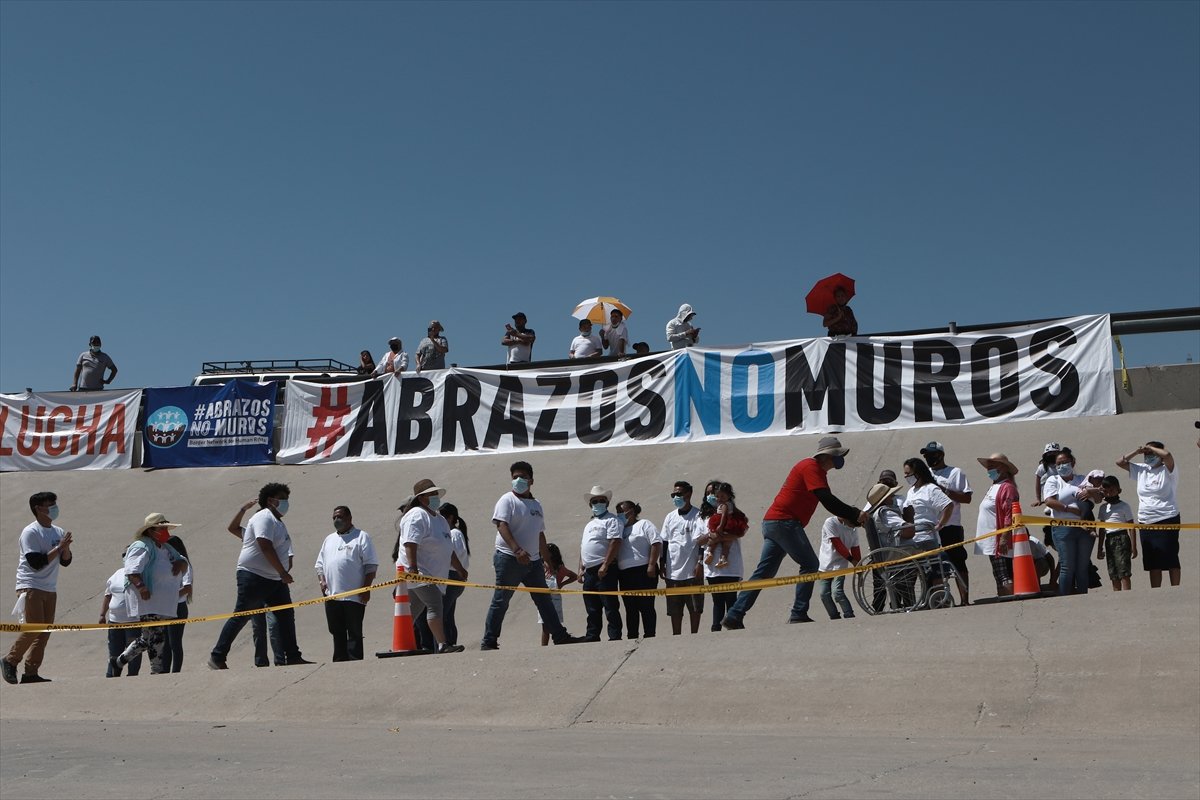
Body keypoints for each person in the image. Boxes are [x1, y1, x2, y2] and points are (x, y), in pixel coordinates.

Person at [722, 437, 868, 630]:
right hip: (784, 522)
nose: (840, 459)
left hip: (774, 522)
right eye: (838, 455)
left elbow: (830, 503)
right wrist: (855, 513)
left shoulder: (817, 472)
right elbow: (827, 500)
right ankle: (799, 613)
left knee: (764, 572)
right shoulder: (810, 467)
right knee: (810, 564)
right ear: (828, 455)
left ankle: (734, 614)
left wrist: (851, 516)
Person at [480, 461, 584, 649]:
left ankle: (560, 636)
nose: (518, 480)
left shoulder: (536, 504)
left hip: (534, 562)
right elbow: (501, 525)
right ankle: (489, 641)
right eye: (514, 477)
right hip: (509, 559)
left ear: (531, 480)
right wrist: (517, 550)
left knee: (544, 599)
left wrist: (547, 561)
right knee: (501, 600)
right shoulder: (507, 500)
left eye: (523, 477)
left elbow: (540, 534)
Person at [209, 483, 313, 669]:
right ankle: (217, 656)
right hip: (253, 576)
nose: (285, 502)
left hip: (274, 580)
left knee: (286, 615)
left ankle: (293, 656)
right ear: (271, 501)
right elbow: (264, 545)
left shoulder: (277, 522)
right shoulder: (263, 517)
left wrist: (282, 573)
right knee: (242, 615)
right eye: (282, 498)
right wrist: (282, 572)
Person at [3, 492, 73, 685]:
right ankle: (10, 660)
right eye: (49, 504)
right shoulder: (30, 532)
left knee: (44, 631)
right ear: (38, 509)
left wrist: (65, 548)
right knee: (34, 628)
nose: (54, 507)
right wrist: (59, 548)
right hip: (31, 584)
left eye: (54, 503)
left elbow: (66, 561)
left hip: (50, 587)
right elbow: (36, 563)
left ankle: (31, 672)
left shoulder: (58, 531)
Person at [111, 513, 189, 675]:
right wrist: (141, 587)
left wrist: (180, 563)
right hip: (146, 599)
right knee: (157, 635)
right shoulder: (141, 546)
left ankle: (119, 661)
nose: (165, 531)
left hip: (160, 601)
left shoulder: (166, 547)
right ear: (151, 530)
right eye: (161, 529)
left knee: (147, 637)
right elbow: (132, 571)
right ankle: (157, 670)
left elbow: (182, 559)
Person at [398, 480, 466, 654]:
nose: (436, 497)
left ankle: (401, 643)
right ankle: (443, 644)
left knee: (414, 610)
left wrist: (459, 568)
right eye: (431, 494)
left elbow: (448, 548)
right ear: (421, 498)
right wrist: (413, 569)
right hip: (421, 573)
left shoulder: (440, 519)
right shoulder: (416, 515)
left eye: (436, 493)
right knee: (435, 605)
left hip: (435, 576)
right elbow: (410, 543)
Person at [315, 506, 379, 661]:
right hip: (332, 596)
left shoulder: (361, 537)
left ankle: (354, 661)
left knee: (354, 632)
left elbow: (371, 566)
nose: (337, 520)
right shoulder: (329, 539)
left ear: (350, 518)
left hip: (354, 597)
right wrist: (322, 581)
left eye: (340, 517)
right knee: (336, 631)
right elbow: (319, 564)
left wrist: (366, 589)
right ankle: (339, 661)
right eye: (334, 518)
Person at [227, 498, 285, 667]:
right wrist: (243, 509)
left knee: (274, 624)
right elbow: (232, 528)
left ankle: (280, 660)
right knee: (258, 626)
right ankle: (261, 662)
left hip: (271, 583)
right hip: (254, 582)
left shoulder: (275, 537)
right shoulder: (251, 534)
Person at [1117, 441, 1181, 588]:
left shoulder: (1168, 469)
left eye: (1152, 454)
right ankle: (1156, 590)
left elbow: (1168, 455)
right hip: (1146, 520)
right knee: (1153, 560)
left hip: (1167, 517)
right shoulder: (1141, 469)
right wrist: (1137, 451)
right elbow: (1120, 462)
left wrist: (1152, 448)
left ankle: (1176, 588)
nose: (1148, 456)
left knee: (1170, 555)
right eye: (1146, 454)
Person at [921, 442, 973, 605]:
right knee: (933, 565)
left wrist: (945, 491)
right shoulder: (925, 474)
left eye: (931, 454)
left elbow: (967, 498)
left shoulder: (955, 473)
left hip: (950, 525)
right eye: (926, 455)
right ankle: (938, 601)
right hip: (931, 528)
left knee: (957, 561)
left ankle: (964, 599)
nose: (928, 458)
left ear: (941, 455)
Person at [1041, 449, 1096, 595]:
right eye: (1058, 464)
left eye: (1065, 462)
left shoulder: (1082, 479)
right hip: (1063, 528)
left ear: (1073, 462)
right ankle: (1065, 599)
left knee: (1082, 567)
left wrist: (1091, 492)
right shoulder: (1053, 481)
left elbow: (1096, 500)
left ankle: (1083, 596)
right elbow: (1049, 501)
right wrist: (1070, 509)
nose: (1062, 466)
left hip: (1085, 529)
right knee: (1067, 566)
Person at [660, 481, 706, 635]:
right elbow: (665, 542)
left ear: (689, 494)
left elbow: (701, 541)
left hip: (692, 571)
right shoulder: (670, 517)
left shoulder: (698, 515)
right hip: (673, 573)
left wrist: (700, 563)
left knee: (695, 608)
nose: (676, 497)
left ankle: (694, 635)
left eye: (679, 494)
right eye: (673, 495)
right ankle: (676, 636)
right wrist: (662, 564)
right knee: (674, 610)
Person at [579, 486, 624, 642]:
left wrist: (605, 564)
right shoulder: (589, 524)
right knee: (592, 607)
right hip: (589, 570)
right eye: (595, 501)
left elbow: (615, 541)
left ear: (607, 502)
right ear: (590, 504)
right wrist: (581, 568)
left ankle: (614, 636)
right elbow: (584, 546)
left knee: (610, 606)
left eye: (601, 500)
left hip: (604, 569)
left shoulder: (612, 520)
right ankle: (592, 635)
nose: (598, 503)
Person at [701, 482, 746, 632]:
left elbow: (739, 533)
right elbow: (698, 540)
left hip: (731, 567)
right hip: (713, 568)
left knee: (730, 598)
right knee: (717, 600)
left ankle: (733, 625)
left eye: (718, 494)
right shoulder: (704, 517)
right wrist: (711, 535)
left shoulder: (735, 514)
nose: (715, 497)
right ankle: (716, 627)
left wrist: (721, 536)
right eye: (711, 494)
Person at [974, 453, 1020, 597]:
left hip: (998, 539)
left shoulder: (1007, 487)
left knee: (1004, 574)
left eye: (993, 465)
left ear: (1004, 468)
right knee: (999, 574)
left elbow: (1009, 513)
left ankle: (1008, 599)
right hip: (991, 540)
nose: (989, 469)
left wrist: (1004, 536)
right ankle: (1004, 597)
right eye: (989, 466)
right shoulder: (995, 486)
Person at [614, 501, 661, 639]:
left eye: (623, 511)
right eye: (618, 512)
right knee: (630, 608)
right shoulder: (619, 530)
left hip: (644, 571)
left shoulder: (644, 524)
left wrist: (651, 564)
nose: (620, 515)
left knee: (646, 606)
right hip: (625, 574)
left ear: (632, 511)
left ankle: (650, 634)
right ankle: (632, 636)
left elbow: (656, 543)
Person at [100, 559, 142, 677]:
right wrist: (102, 614)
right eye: (124, 555)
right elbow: (108, 595)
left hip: (133, 622)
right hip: (114, 621)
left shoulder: (141, 573)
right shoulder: (117, 574)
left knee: (133, 652)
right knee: (114, 651)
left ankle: (132, 675)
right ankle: (111, 675)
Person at [1095, 476, 1136, 592]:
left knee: (1124, 571)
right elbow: (1102, 529)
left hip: (1121, 537)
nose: (1109, 494)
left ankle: (1127, 594)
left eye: (1112, 490)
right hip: (1109, 539)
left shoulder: (1124, 506)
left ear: (1119, 490)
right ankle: (1116, 594)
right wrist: (1099, 548)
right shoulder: (1103, 508)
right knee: (1113, 571)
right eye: (1106, 491)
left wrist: (1134, 546)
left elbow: (1131, 527)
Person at [817, 515, 859, 620]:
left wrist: (858, 565)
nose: (853, 526)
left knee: (837, 593)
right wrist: (852, 560)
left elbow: (855, 549)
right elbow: (837, 544)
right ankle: (834, 617)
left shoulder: (853, 529)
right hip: (825, 565)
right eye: (852, 523)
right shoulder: (830, 522)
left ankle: (849, 614)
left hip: (840, 566)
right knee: (824, 594)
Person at [160, 535, 192, 673]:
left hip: (178, 607)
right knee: (165, 643)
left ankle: (176, 671)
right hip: (166, 608)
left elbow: (187, 588)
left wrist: (170, 597)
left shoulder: (183, 562)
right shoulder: (168, 562)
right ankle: (164, 670)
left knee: (175, 643)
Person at [439, 503, 469, 647]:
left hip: (452, 576)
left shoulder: (454, 534)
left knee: (442, 613)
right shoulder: (451, 533)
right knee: (448, 614)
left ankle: (446, 643)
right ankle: (450, 642)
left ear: (450, 518)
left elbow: (453, 555)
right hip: (451, 576)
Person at [538, 543, 578, 646]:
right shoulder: (541, 566)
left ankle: (559, 641)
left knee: (555, 622)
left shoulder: (560, 568)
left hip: (555, 599)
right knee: (544, 625)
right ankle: (544, 646)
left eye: (546, 552)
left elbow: (574, 576)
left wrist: (562, 584)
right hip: (544, 598)